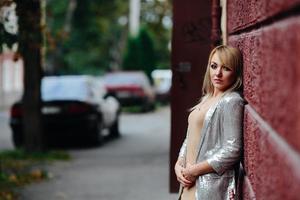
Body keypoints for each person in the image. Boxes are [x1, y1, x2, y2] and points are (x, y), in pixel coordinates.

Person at [174, 45, 244, 200]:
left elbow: (233, 149)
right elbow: (190, 137)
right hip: (187, 184)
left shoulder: (231, 101)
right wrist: (179, 165)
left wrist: (195, 171)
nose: (218, 73)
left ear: (236, 72)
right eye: (214, 66)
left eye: (226, 68)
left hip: (208, 188)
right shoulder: (207, 98)